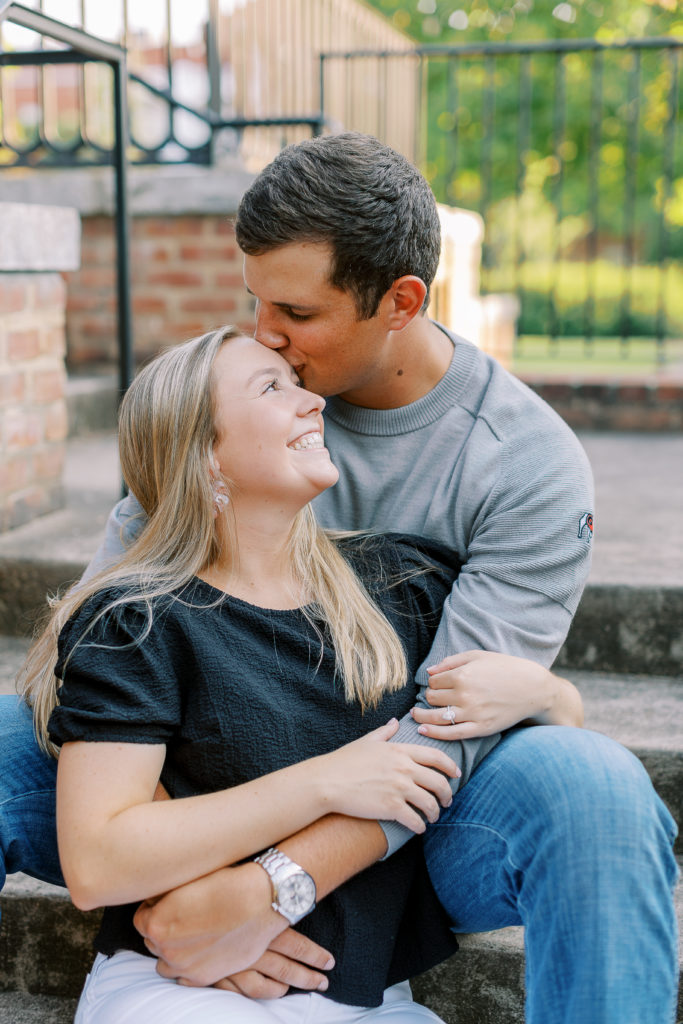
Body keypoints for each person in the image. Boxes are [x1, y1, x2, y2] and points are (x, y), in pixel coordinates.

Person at [2, 132, 678, 1022]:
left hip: (412, 823)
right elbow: (92, 660)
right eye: (254, 302)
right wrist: (186, 882)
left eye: (295, 312)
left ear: (400, 301)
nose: (265, 336)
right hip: (198, 780)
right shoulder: (222, 406)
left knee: (590, 788)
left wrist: (268, 892)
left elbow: (448, 731)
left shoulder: (524, 467)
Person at [22, 325, 491, 1022]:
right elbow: (97, 862)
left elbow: (499, 737)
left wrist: (550, 693)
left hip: (371, 1001)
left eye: (297, 384)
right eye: (273, 387)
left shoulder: (401, 584)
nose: (313, 403)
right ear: (206, 455)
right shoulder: (140, 620)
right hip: (175, 989)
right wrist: (324, 781)